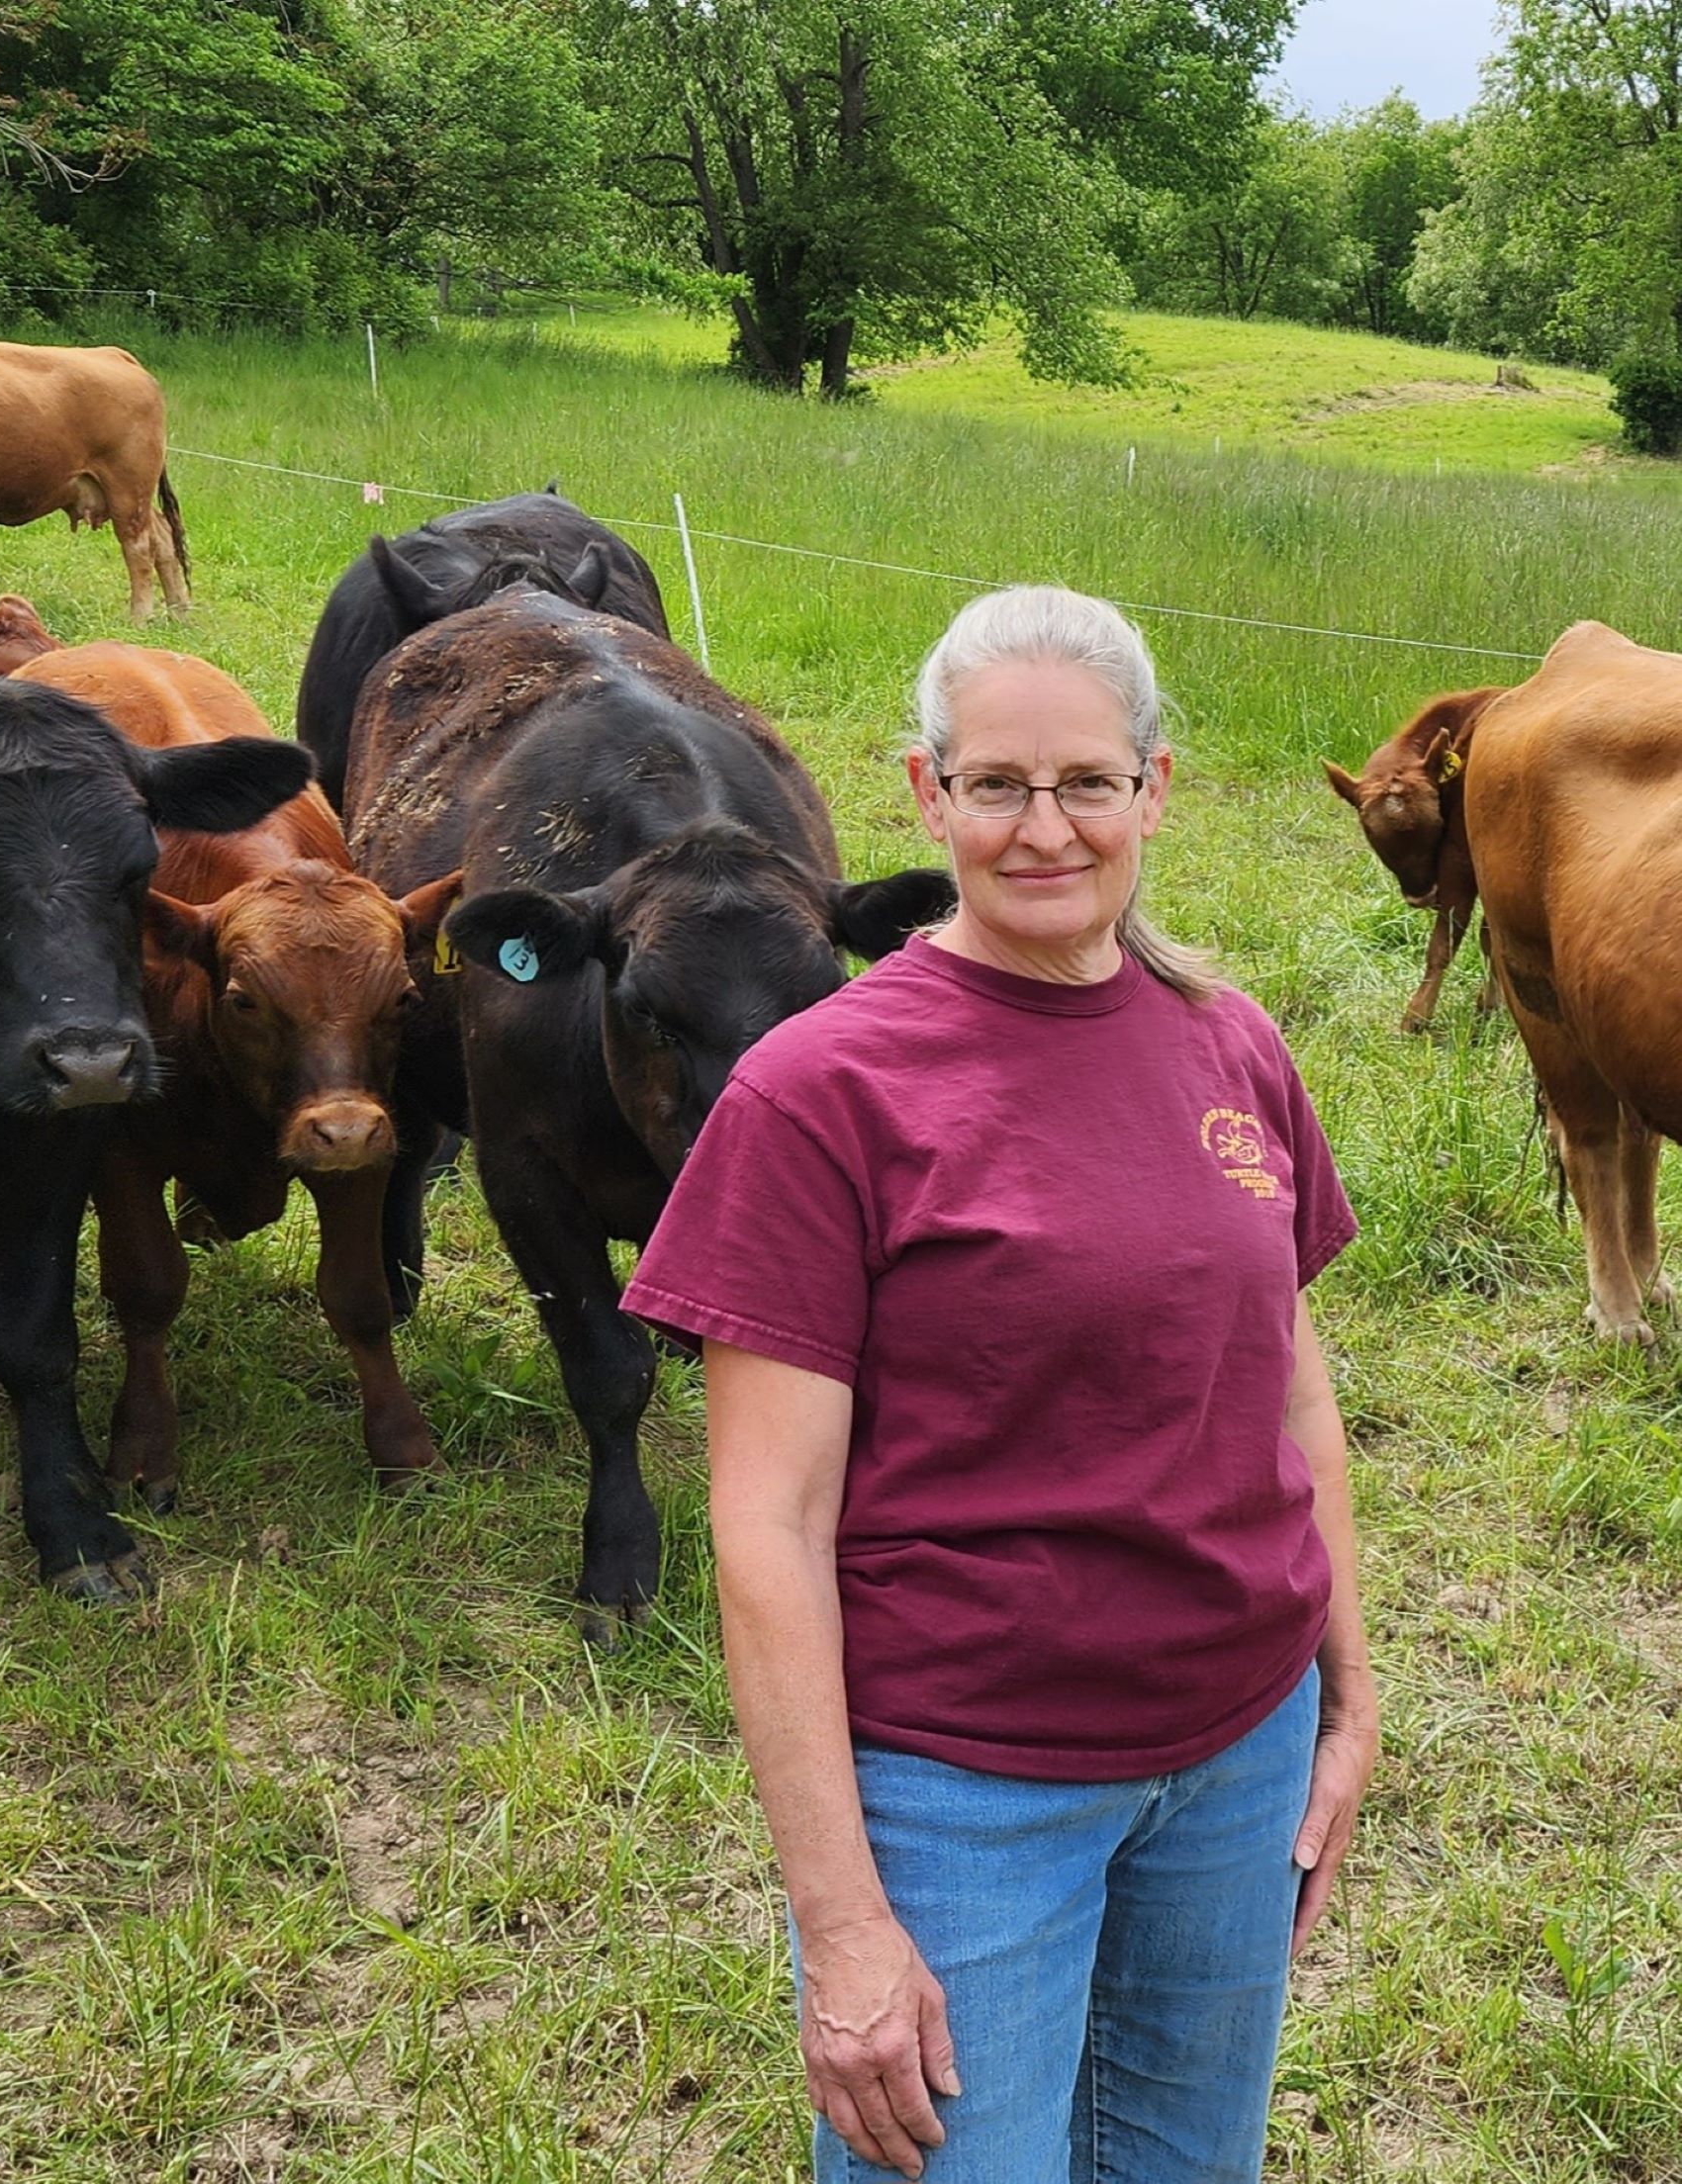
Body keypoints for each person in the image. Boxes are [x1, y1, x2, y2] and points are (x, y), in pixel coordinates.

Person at [619, 587, 1376, 2183]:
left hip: (1239, 1754)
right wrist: (841, 1922)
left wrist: (1346, 1690)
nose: (1046, 830)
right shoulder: (822, 1092)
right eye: (997, 786)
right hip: (967, 1790)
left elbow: (1290, 1384)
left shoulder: (1231, 1045)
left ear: (1155, 790)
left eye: (1088, 783)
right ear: (926, 794)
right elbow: (765, 1525)